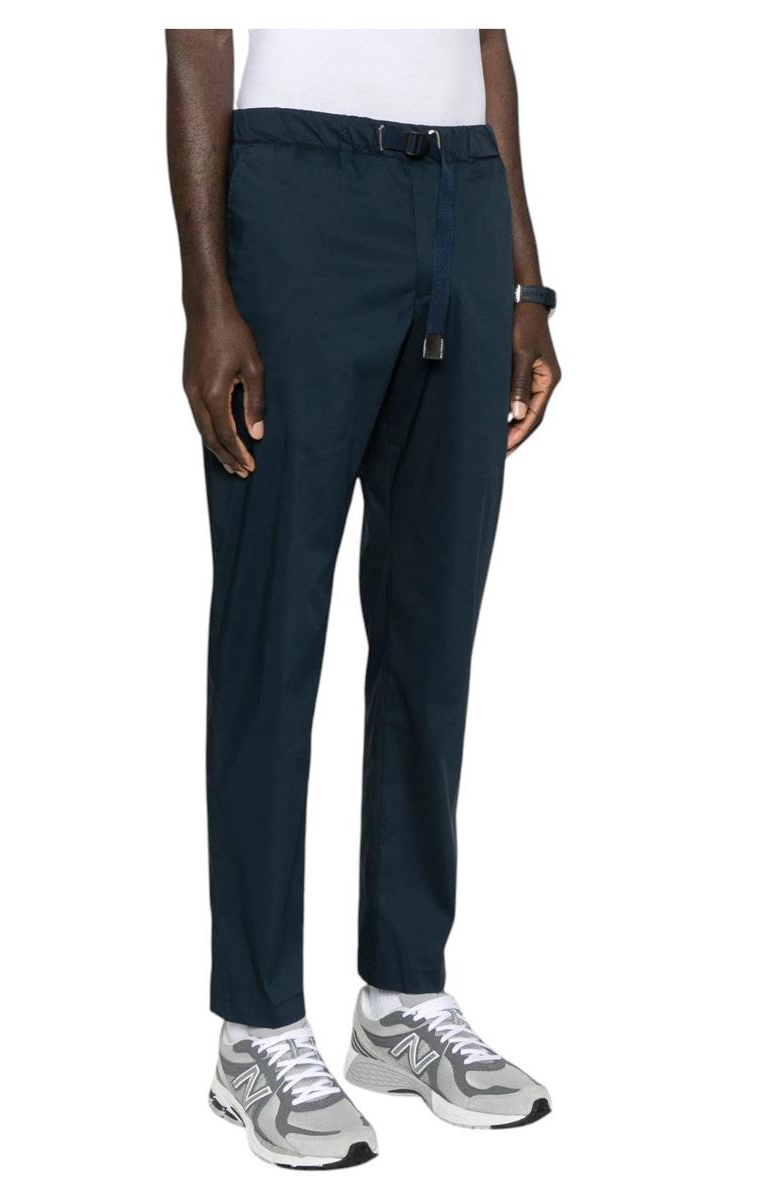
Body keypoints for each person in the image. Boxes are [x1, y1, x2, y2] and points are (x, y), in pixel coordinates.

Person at [165, 28, 561, 1169]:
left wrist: (524, 280)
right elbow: (196, 37)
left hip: (463, 197)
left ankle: (402, 999)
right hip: (297, 190)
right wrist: (208, 298)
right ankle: (256, 1027)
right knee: (272, 629)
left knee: (434, 635)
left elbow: (488, 40)